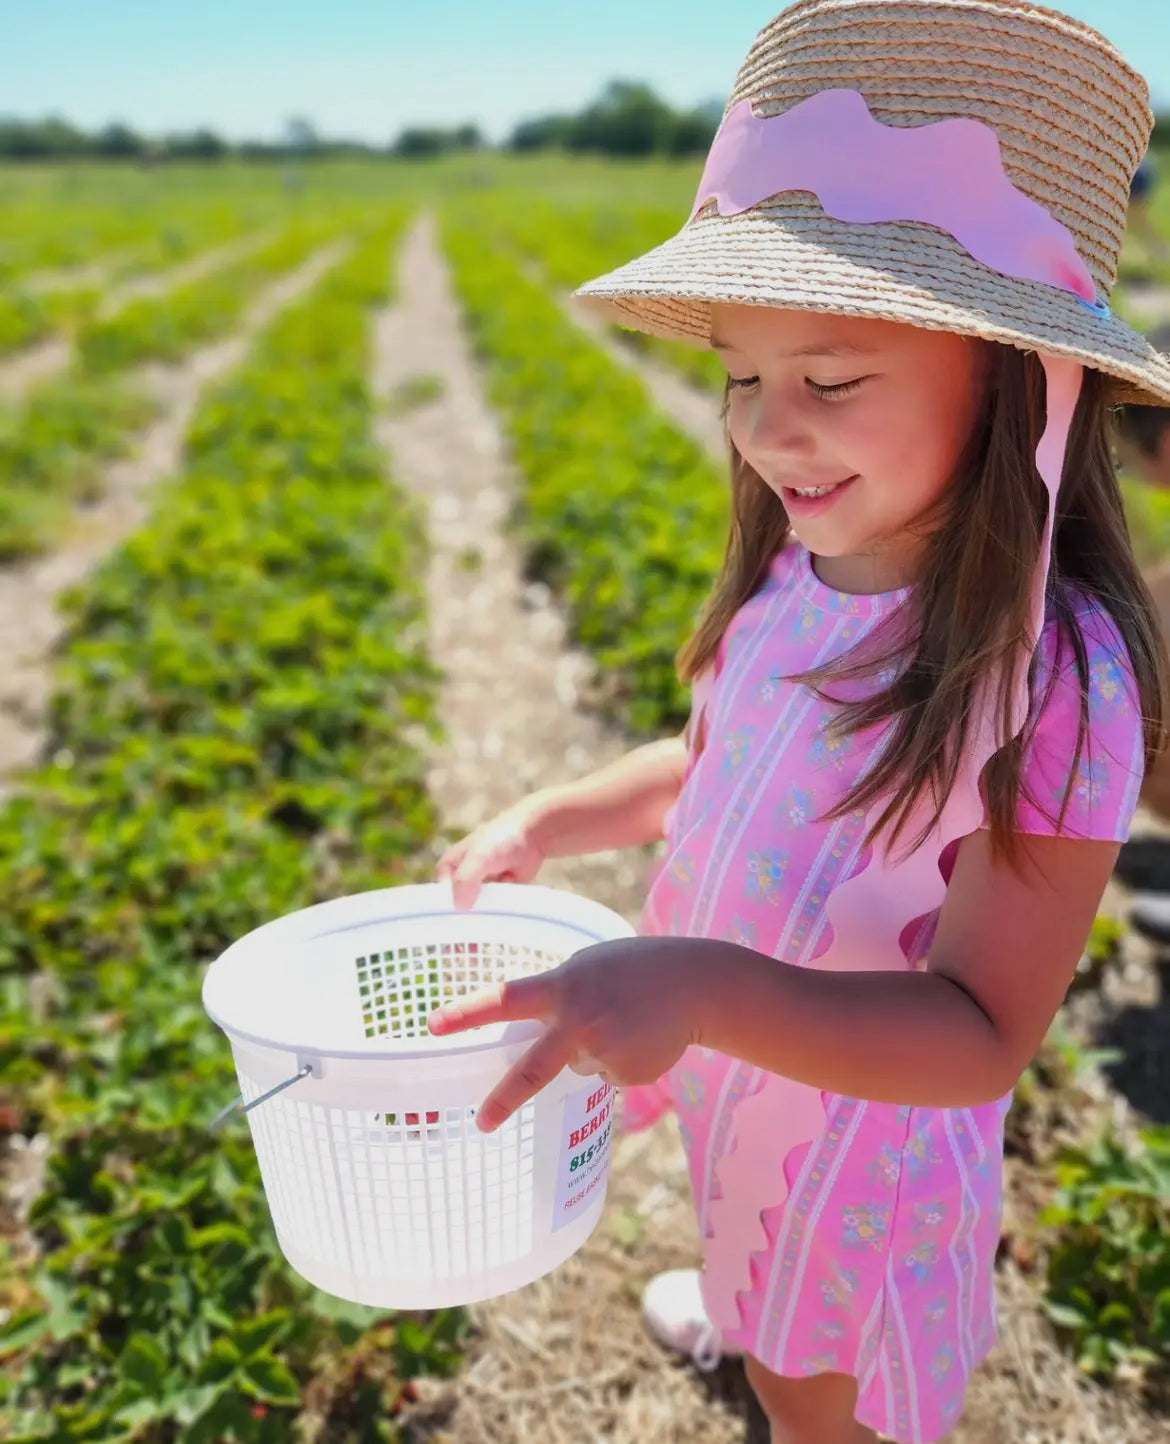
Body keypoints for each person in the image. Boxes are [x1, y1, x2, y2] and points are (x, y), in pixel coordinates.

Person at [429, 3, 1170, 1441]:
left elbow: (975, 1032)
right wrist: (555, 817)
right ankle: (741, 1291)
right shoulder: (798, 571)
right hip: (748, 1081)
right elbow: (720, 766)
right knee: (736, 1221)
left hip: (865, 1152)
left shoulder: (1051, 680)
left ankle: (791, 1374)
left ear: (1018, 374)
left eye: (827, 379)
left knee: (807, 1378)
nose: (768, 430)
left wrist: (698, 988)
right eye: (741, 380)